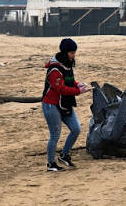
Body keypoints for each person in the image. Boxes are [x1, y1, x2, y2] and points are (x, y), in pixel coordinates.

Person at [42, 38, 91, 172]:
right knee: (55, 135)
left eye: (74, 52)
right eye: (71, 52)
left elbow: (70, 81)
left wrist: (77, 84)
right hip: (51, 105)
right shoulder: (54, 69)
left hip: (65, 104)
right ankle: (51, 164)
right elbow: (61, 89)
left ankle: (64, 155)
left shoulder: (67, 64)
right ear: (65, 52)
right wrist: (78, 91)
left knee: (76, 129)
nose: (74, 55)